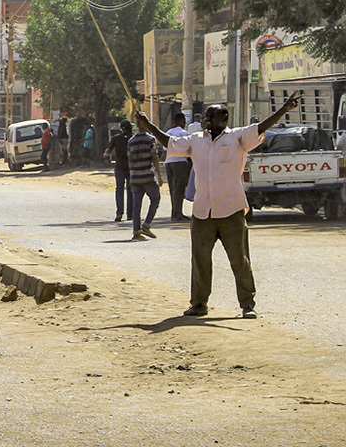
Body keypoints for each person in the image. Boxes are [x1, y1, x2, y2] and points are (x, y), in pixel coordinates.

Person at [137, 91, 302, 319]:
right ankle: (199, 303)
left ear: (224, 119)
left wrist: (283, 109)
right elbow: (170, 143)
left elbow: (261, 128)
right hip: (202, 211)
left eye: (211, 116)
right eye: (206, 116)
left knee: (239, 260)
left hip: (231, 209)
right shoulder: (196, 139)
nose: (206, 120)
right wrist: (148, 125)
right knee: (200, 260)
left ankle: (247, 304)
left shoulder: (238, 138)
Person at [127, 123, 162, 240]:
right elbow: (154, 157)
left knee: (136, 205)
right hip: (147, 175)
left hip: (135, 176)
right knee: (155, 199)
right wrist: (159, 175)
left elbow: (130, 159)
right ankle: (146, 225)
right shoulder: (151, 139)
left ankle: (136, 231)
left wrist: (133, 171)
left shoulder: (131, 141)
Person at [103, 120, 134, 222]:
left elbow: (108, 151)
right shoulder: (133, 138)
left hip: (119, 166)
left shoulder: (116, 138)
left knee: (119, 189)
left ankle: (119, 213)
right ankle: (130, 214)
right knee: (130, 190)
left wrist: (105, 155)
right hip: (131, 167)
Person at [164, 112, 192, 221]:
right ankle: (177, 214)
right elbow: (189, 149)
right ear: (181, 121)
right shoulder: (183, 133)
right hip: (180, 162)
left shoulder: (168, 132)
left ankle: (175, 212)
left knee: (172, 189)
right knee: (179, 189)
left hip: (168, 161)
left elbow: (165, 149)